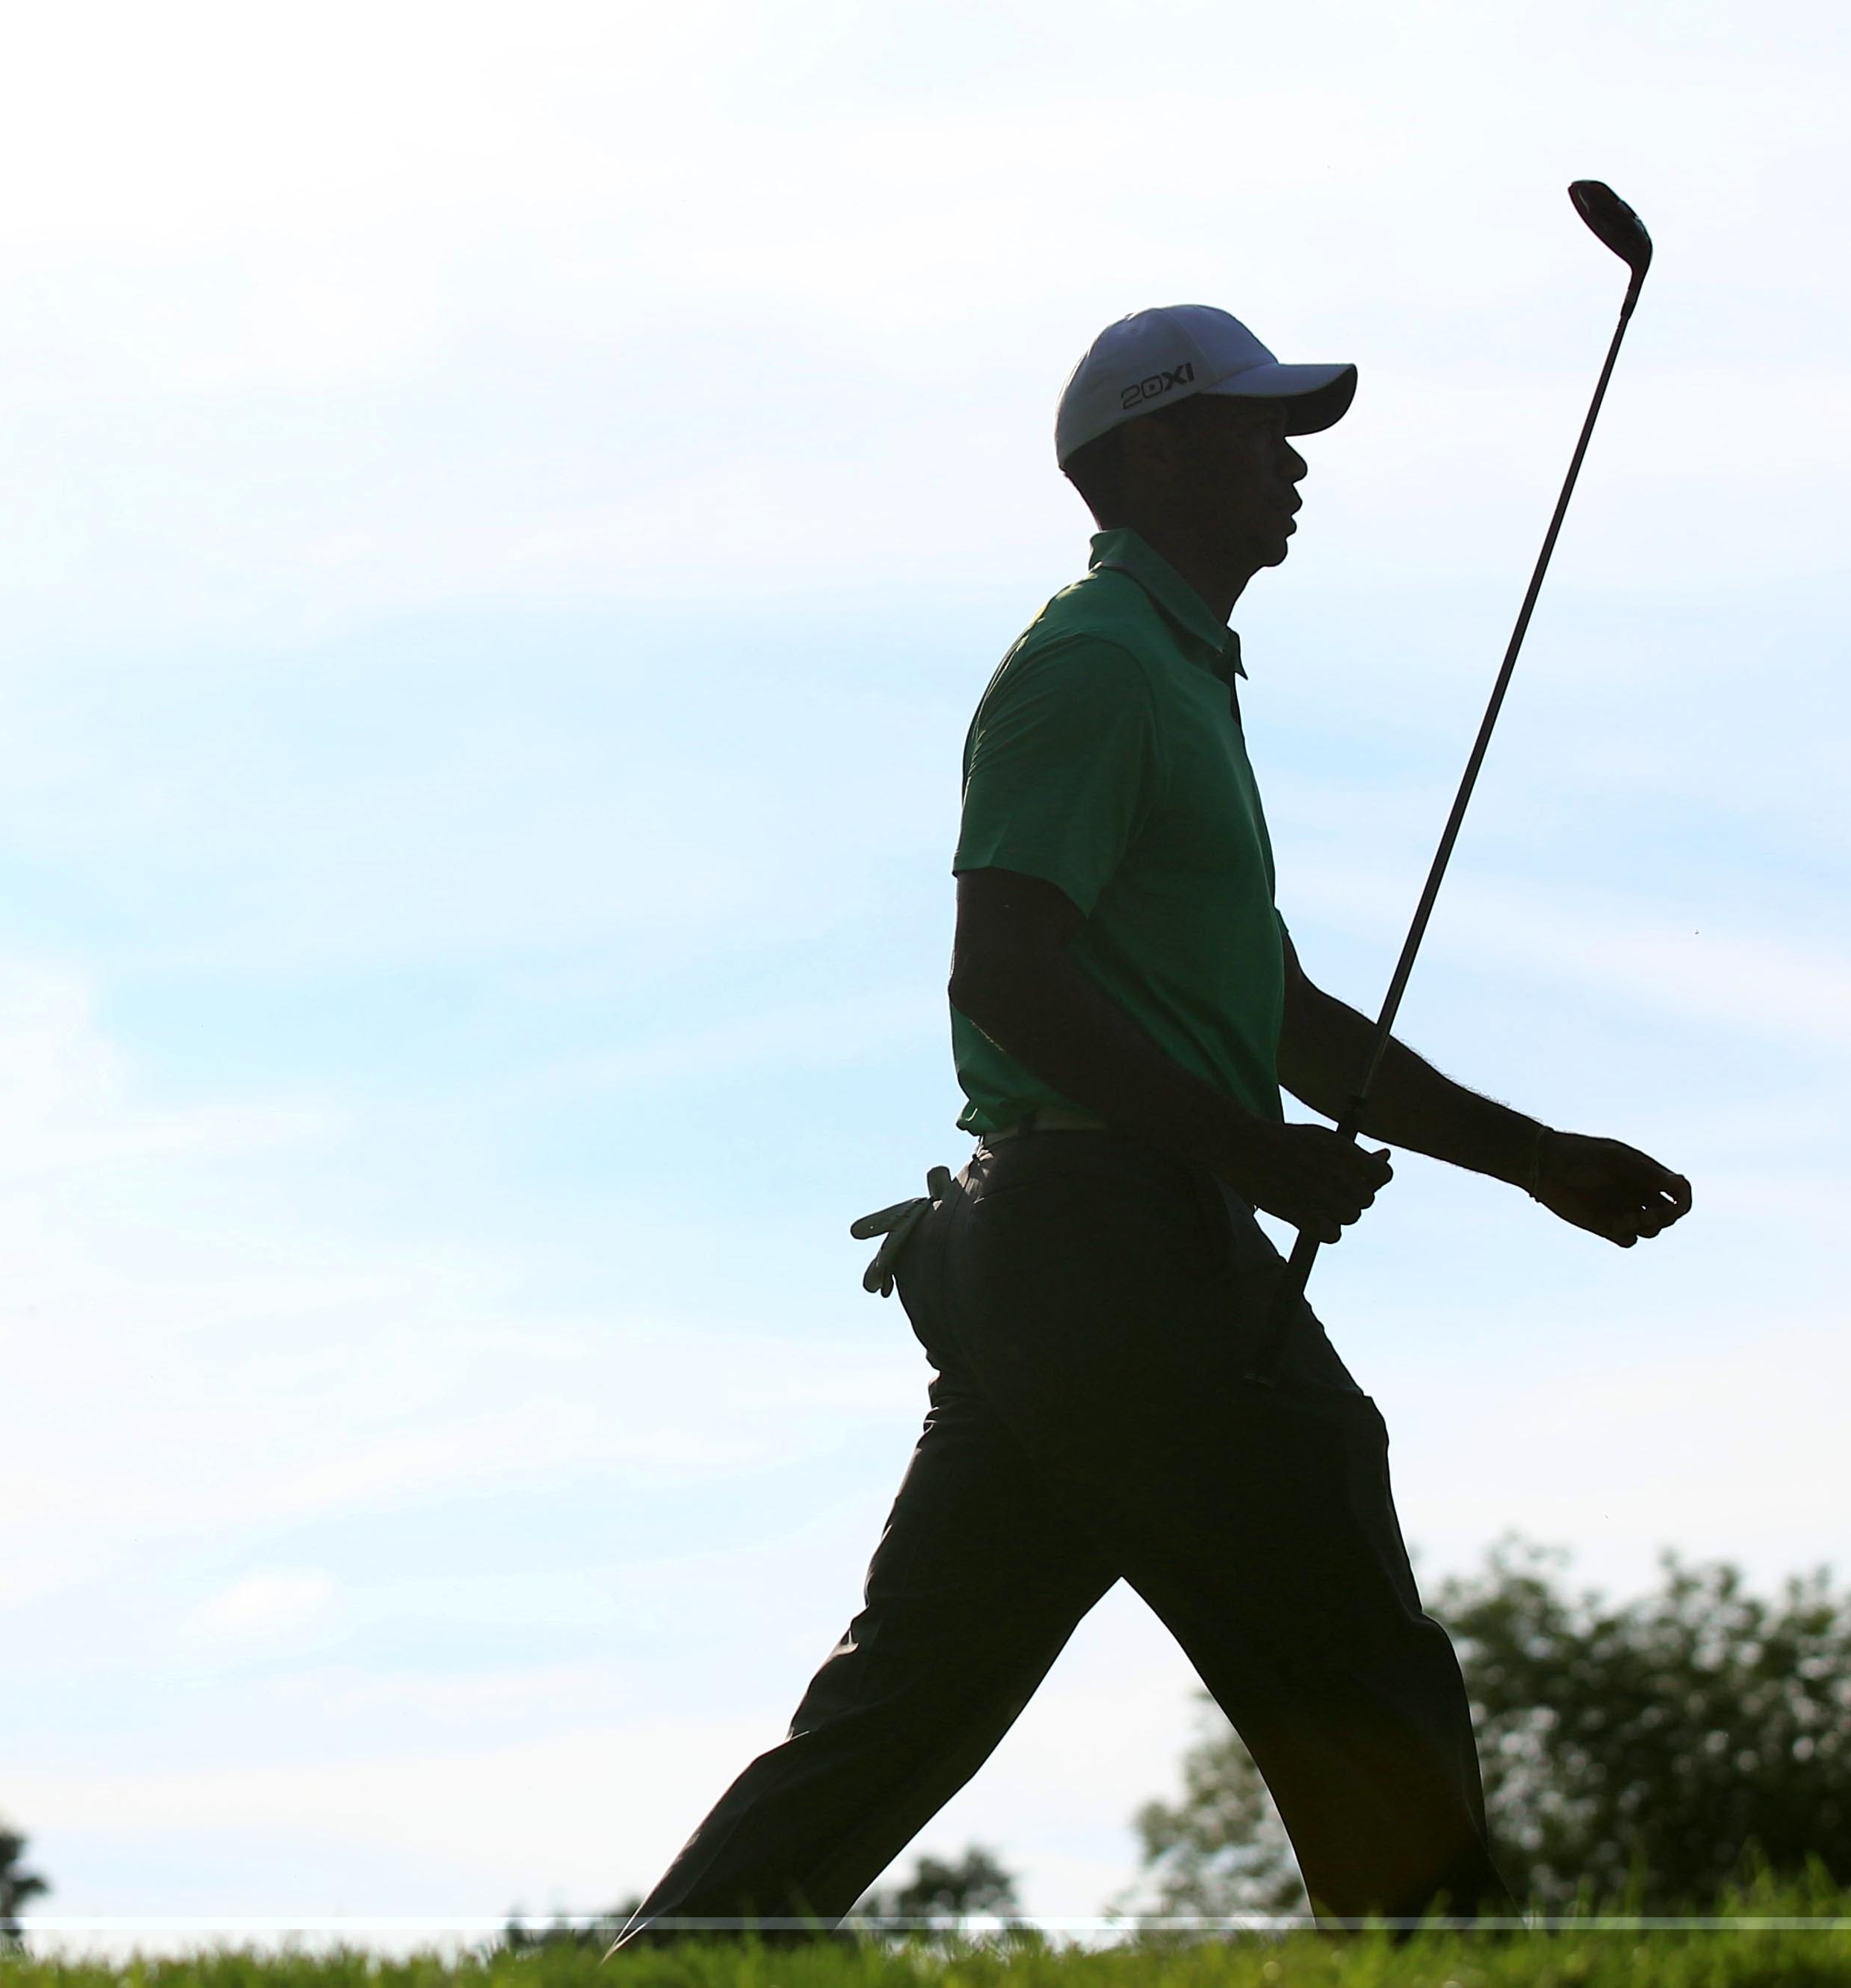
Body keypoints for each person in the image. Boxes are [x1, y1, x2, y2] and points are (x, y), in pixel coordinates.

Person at [611, 305, 1693, 1940]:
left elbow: (1287, 1021)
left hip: (1060, 1262)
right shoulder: (1092, 663)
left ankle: (664, 1969)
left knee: (903, 1708)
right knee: (1351, 1638)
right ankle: (1453, 1964)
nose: (1292, 465)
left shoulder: (1179, 675)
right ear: (1154, 450)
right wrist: (1246, 1150)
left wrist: (1534, 1159)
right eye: (1261, 432)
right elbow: (1006, 977)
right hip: (1112, 1245)